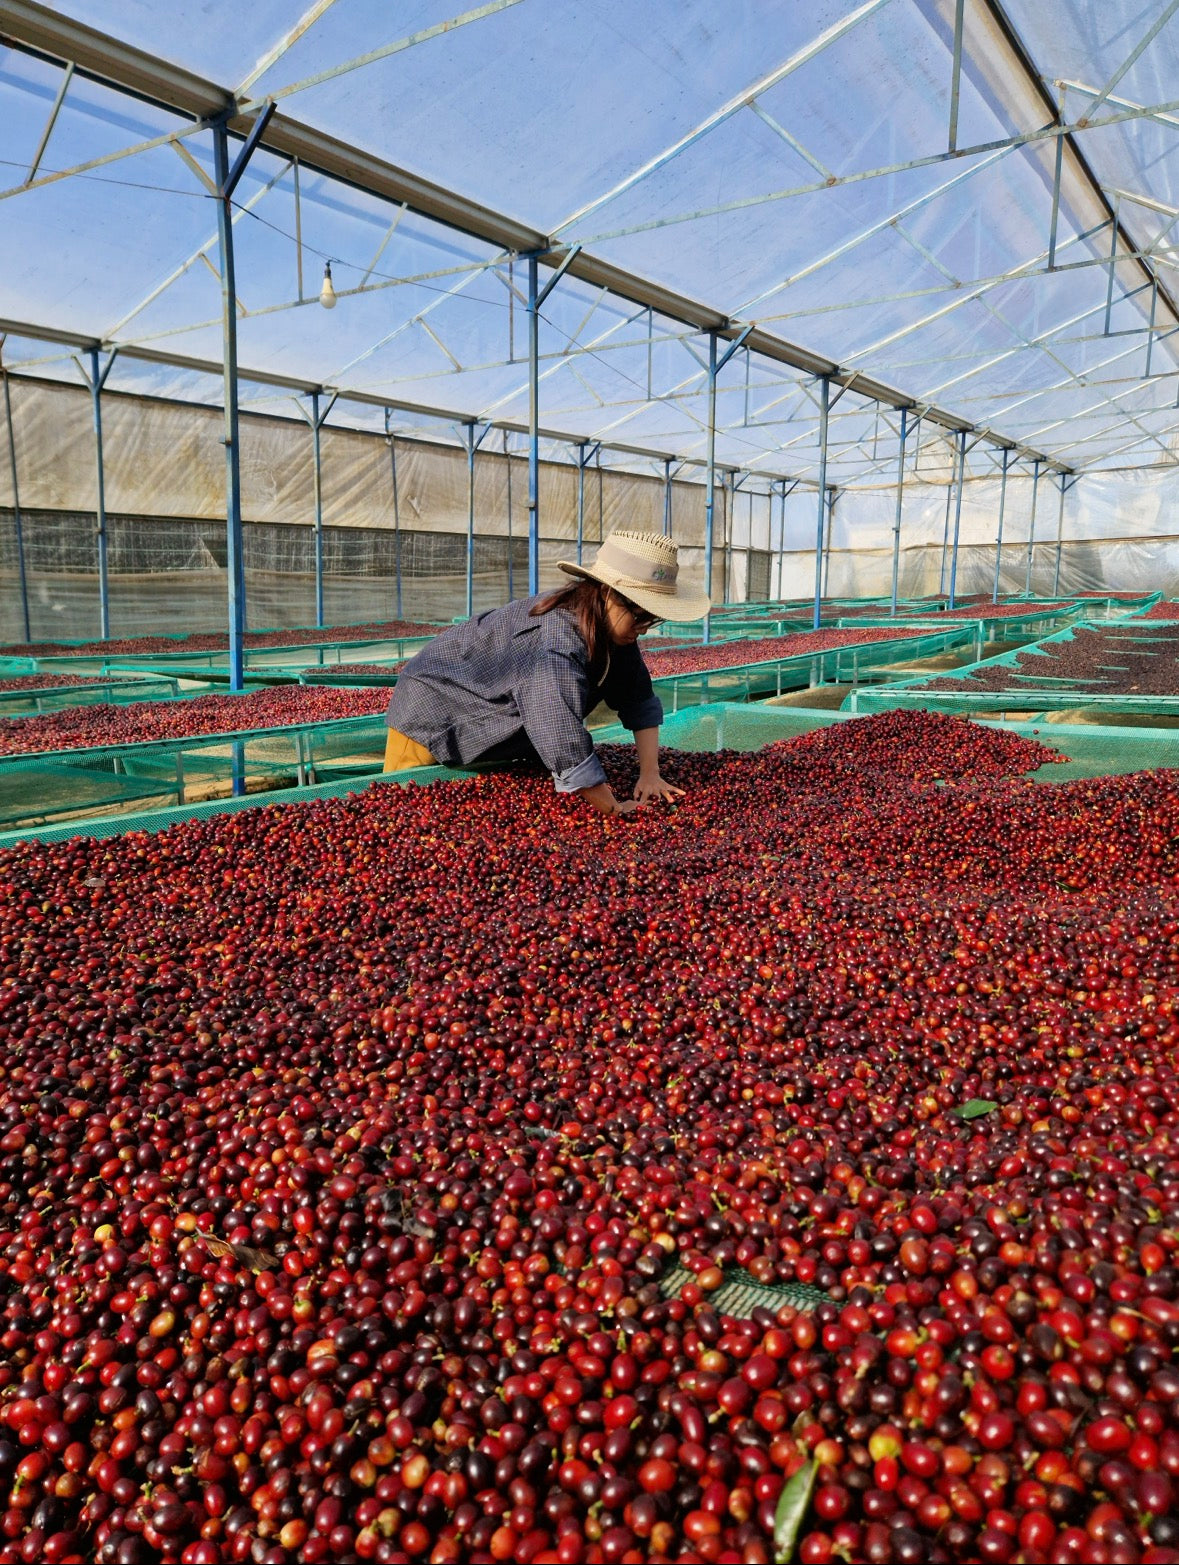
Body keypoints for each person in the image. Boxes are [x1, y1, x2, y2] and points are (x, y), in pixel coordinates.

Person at [383, 529, 711, 816]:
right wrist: (612, 808)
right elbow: (557, 729)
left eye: (651, 620)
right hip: (434, 712)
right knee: (406, 811)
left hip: (498, 723)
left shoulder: (611, 630)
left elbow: (637, 697)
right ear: (609, 594)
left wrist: (649, 773)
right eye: (639, 617)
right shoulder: (555, 639)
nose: (643, 629)